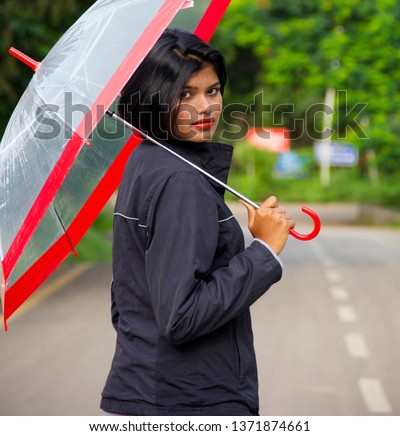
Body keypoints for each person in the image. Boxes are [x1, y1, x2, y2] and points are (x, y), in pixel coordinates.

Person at [100, 28, 294, 416]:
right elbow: (180, 317)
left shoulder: (145, 161)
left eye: (213, 90)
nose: (205, 106)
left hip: (147, 389)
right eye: (185, 94)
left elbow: (126, 302)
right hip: (189, 400)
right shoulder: (180, 181)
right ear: (154, 97)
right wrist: (264, 252)